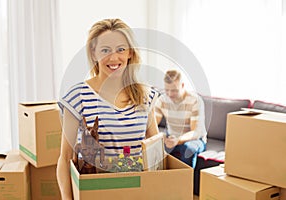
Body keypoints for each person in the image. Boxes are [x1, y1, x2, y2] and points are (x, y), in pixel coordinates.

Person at [56, 18, 159, 199]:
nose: (114, 58)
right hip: (97, 193)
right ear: (93, 54)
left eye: (120, 49)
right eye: (105, 50)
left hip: (138, 193)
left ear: (130, 53)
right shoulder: (77, 96)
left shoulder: (145, 95)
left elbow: (156, 151)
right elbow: (65, 159)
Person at [155, 69, 207, 168]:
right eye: (167, 90)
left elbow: (195, 132)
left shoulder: (194, 100)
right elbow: (152, 125)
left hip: (194, 139)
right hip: (172, 137)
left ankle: (186, 182)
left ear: (182, 86)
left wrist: (178, 140)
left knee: (189, 150)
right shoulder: (162, 100)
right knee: (154, 148)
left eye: (174, 90)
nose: (170, 94)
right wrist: (161, 138)